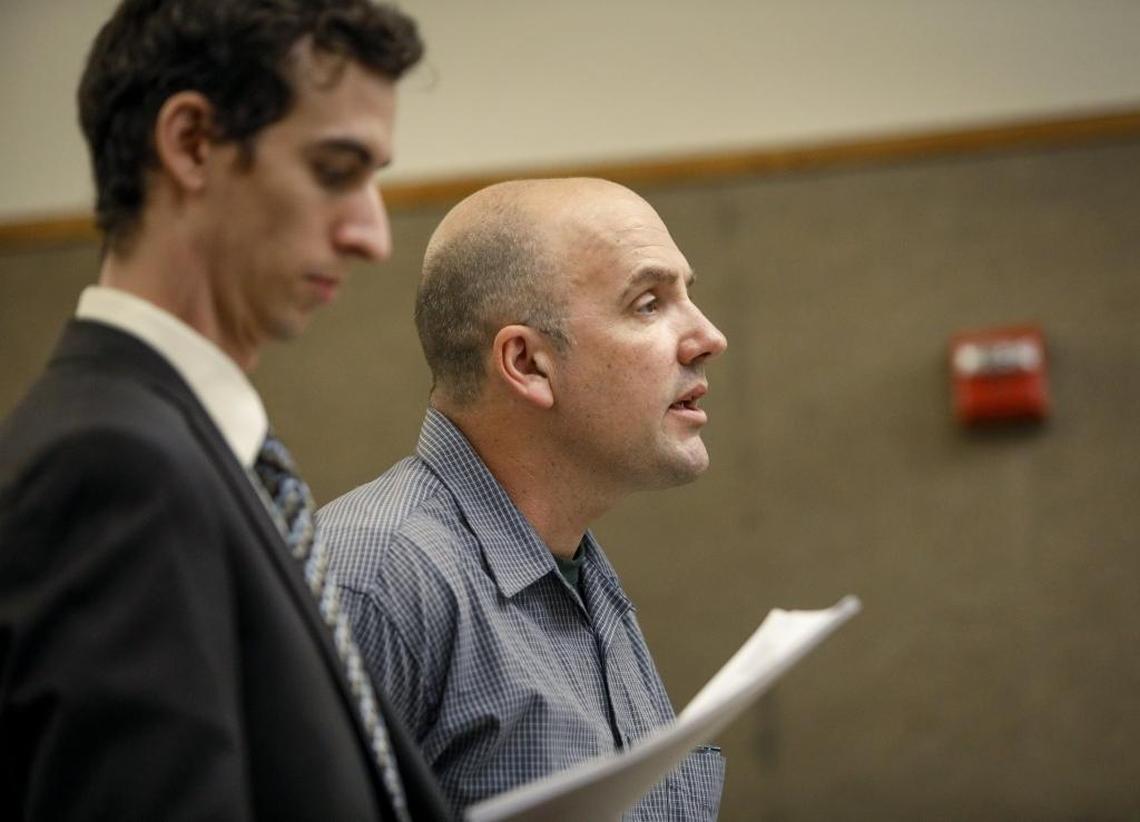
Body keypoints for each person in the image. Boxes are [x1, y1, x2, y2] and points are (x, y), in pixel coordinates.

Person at [0, 1, 452, 819]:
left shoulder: (185, 449)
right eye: (335, 170)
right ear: (191, 143)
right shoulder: (112, 468)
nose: (373, 236)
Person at [318, 177, 729, 818]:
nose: (708, 336)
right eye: (649, 304)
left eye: (687, 295)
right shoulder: (374, 576)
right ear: (528, 363)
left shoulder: (574, 564)